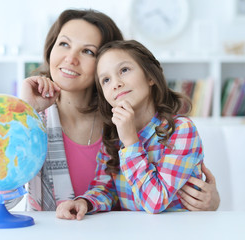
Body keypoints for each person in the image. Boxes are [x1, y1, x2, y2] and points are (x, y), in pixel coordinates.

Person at [0, 9, 220, 212]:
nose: (71, 58)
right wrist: (24, 113)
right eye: (64, 44)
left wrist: (211, 204)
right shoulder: (34, 117)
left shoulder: (120, 122)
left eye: (88, 51)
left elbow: (162, 194)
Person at [56, 39, 205, 220]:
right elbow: (108, 189)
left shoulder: (181, 130)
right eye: (106, 80)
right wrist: (84, 203)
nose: (116, 83)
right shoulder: (113, 136)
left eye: (124, 70)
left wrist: (131, 142)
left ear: (150, 76)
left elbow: (155, 201)